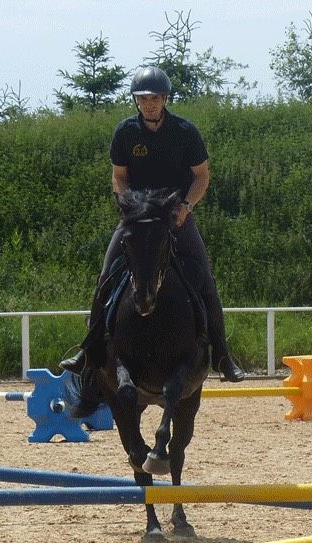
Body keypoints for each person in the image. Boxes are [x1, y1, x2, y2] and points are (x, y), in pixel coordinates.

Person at [60, 65, 245, 382]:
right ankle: (89, 351)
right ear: (136, 101)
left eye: (155, 98)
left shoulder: (185, 132)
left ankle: (224, 356)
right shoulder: (125, 132)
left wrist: (187, 205)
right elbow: (119, 178)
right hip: (139, 217)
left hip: (175, 217)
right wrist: (126, 205)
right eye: (143, 98)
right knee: (106, 275)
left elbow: (201, 176)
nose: (149, 104)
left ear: (165, 99)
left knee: (206, 281)